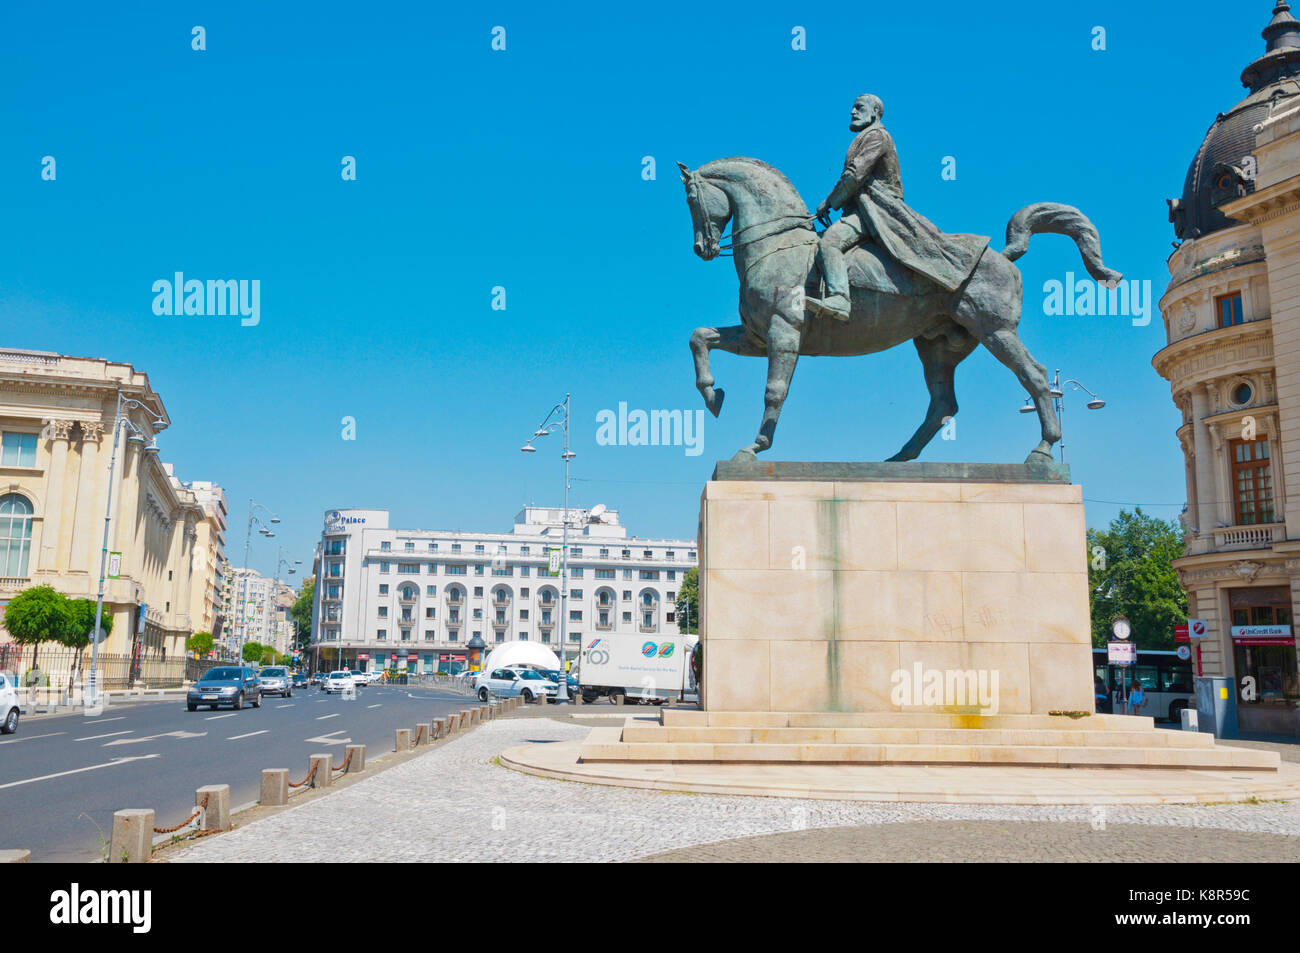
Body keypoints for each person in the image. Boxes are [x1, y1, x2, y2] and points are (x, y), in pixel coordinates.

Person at [805, 94, 988, 322]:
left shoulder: (877, 136)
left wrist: (829, 202)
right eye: (852, 108)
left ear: (875, 112)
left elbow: (854, 175)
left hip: (874, 210)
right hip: (860, 209)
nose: (853, 112)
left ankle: (840, 298)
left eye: (859, 107)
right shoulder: (865, 137)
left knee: (830, 242)